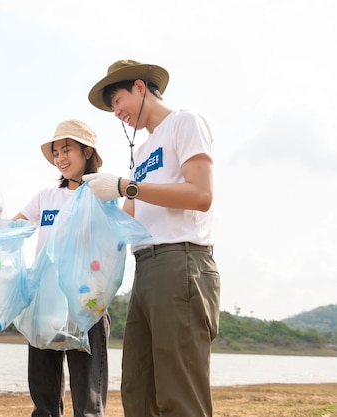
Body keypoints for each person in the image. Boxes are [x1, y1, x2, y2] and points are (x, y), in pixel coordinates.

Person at [83, 59, 221, 417]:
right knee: (137, 388)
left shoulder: (184, 123)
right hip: (143, 269)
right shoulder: (141, 153)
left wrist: (128, 186)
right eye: (111, 107)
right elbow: (128, 219)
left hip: (182, 262)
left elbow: (201, 194)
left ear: (141, 88)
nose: (116, 113)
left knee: (180, 391)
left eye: (117, 101)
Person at [10, 119, 110, 417]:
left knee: (87, 400)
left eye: (66, 150)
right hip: (45, 305)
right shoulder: (46, 197)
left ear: (87, 151)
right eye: (56, 153)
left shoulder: (102, 194)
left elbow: (112, 247)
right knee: (44, 399)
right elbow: (15, 228)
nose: (60, 158)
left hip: (86, 303)